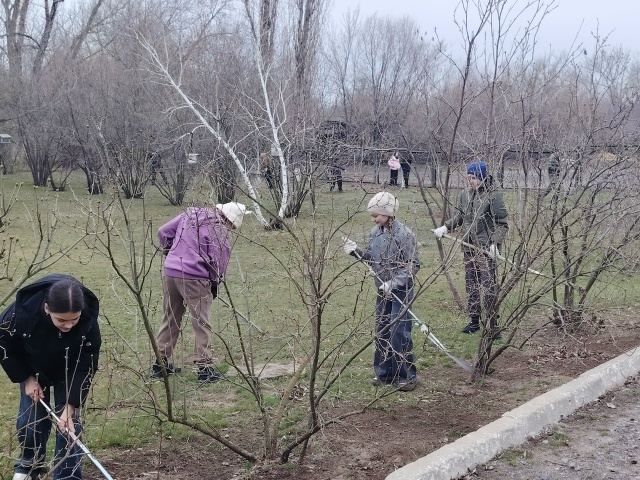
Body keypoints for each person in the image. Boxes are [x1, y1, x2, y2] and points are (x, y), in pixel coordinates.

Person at [0, 274, 101, 480]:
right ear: (47, 308)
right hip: (33, 366)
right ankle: (29, 466)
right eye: (61, 320)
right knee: (31, 418)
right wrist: (27, 378)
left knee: (69, 424)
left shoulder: (88, 320)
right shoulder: (19, 314)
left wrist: (70, 406)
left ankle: (68, 475)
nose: (69, 325)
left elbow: (86, 364)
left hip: (70, 368)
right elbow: (4, 347)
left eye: (74, 319)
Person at [153, 202, 251, 383]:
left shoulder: (188, 215)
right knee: (201, 322)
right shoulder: (218, 228)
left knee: (171, 316)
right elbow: (218, 261)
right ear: (229, 221)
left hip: (170, 272)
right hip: (195, 277)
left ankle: (160, 364)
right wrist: (214, 282)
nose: (231, 230)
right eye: (233, 227)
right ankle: (204, 369)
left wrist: (171, 253)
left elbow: (163, 231)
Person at [342, 192, 421, 391]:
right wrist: (356, 251)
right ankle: (384, 373)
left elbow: (413, 266)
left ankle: (406, 376)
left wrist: (393, 283)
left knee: (399, 332)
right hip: (382, 290)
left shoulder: (405, 235)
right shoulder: (375, 233)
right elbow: (373, 258)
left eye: (376, 215)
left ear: (387, 213)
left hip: (401, 290)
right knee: (382, 330)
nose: (373, 219)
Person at [433, 160, 508, 337]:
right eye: (468, 177)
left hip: (486, 250)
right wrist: (446, 227)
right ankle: (474, 321)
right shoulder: (465, 195)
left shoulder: (494, 195)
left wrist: (494, 244)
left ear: (482, 178)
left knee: (489, 287)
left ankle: (492, 324)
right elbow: (460, 217)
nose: (470, 181)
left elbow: (502, 223)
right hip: (468, 247)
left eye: (473, 178)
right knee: (472, 284)